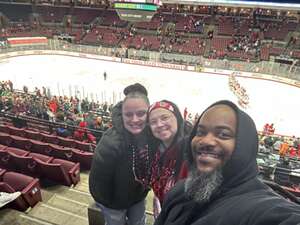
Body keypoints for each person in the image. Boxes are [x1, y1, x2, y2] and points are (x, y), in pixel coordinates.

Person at [155, 100, 300, 225]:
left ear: (244, 147)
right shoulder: (180, 191)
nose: (206, 141)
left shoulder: (259, 207)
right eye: (200, 132)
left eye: (223, 134)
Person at [89, 83, 158, 225]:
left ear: (149, 113)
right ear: (122, 113)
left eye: (140, 113)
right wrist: (109, 204)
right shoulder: (111, 142)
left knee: (139, 222)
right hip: (114, 204)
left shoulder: (152, 134)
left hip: (138, 197)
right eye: (129, 114)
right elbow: (99, 182)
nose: (134, 120)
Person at [148, 100, 191, 219]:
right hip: (162, 210)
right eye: (153, 122)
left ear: (177, 118)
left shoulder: (191, 152)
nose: (159, 124)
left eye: (165, 117)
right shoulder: (155, 151)